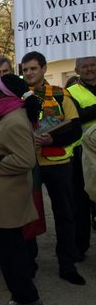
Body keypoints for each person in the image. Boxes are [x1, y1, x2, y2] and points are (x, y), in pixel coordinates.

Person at [0, 74, 47, 305]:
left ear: (6, 94)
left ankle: (30, 302)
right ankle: (20, 297)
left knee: (13, 252)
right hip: (2, 193)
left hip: (10, 196)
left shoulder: (14, 120)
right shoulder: (4, 114)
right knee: (7, 251)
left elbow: (26, 160)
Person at [21, 51, 85, 285]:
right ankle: (30, 262)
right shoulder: (18, 98)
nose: (28, 73)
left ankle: (67, 265)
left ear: (44, 69)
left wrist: (52, 141)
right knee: (29, 215)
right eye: (25, 69)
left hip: (58, 164)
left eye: (33, 68)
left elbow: (76, 129)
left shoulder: (60, 95)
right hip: (29, 165)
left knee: (65, 215)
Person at [66, 56, 96, 257]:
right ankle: (80, 245)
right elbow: (77, 116)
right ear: (77, 69)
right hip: (83, 154)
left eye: (93, 65)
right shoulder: (71, 92)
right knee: (82, 201)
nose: (89, 69)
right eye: (84, 66)